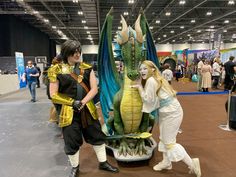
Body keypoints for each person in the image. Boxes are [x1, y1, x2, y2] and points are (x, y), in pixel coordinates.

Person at [48, 40, 119, 177]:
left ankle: (103, 162)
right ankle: (75, 167)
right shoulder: (55, 70)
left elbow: (94, 89)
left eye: (78, 51)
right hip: (68, 112)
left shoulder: (87, 68)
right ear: (66, 52)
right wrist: (72, 102)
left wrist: (83, 102)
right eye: (74, 52)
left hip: (88, 110)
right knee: (72, 140)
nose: (77, 54)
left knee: (97, 136)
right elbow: (53, 95)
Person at [134, 60, 201, 177]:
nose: (142, 71)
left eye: (145, 68)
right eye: (140, 69)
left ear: (153, 69)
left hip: (171, 113)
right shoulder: (156, 78)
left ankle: (192, 163)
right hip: (168, 111)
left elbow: (147, 99)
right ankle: (166, 162)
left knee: (169, 142)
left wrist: (139, 87)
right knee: (164, 138)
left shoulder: (151, 80)